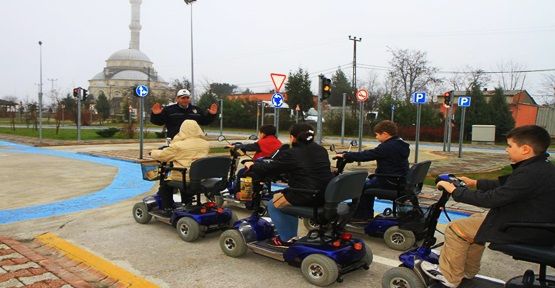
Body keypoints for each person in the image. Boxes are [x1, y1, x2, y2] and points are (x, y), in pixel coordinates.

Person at [421, 125, 555, 288]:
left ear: (525, 149)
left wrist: (455, 191)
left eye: (510, 146)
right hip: (535, 222)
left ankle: (450, 277)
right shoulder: (540, 166)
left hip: (525, 228)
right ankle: (467, 271)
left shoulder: (530, 173)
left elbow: (492, 199)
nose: (506, 150)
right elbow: (505, 184)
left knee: (455, 229)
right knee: (476, 221)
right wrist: (475, 183)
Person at [244, 123, 334, 246]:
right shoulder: (321, 150)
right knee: (286, 198)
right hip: (326, 193)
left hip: (307, 195)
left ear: (292, 137)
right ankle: (291, 236)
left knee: (273, 204)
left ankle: (286, 239)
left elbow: (271, 167)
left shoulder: (292, 153)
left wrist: (253, 165)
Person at [335, 120, 410, 220]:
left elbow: (367, 155)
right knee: (366, 184)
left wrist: (346, 155)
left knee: (360, 186)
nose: (376, 137)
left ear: (385, 134)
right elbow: (372, 153)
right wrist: (348, 154)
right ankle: (364, 212)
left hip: (388, 181)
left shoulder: (387, 147)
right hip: (398, 180)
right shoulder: (399, 144)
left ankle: (361, 215)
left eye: (377, 135)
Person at [149, 120, 210, 216]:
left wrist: (152, 152)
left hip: (185, 176)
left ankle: (167, 208)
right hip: (200, 176)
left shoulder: (178, 146)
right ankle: (187, 202)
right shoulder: (205, 144)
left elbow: (163, 156)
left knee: (165, 185)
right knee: (186, 182)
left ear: (182, 130)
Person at [227, 125, 282, 194]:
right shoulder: (279, 143)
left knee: (242, 172)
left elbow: (250, 147)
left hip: (261, 169)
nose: (259, 135)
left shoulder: (263, 142)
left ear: (263, 134)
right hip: (273, 170)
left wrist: (236, 146)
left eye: (259, 133)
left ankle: (241, 194)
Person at [150, 88, 218, 139]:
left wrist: (211, 115)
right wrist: (156, 115)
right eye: (183, 98)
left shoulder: (196, 110)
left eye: (187, 98)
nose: (185, 100)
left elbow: (204, 121)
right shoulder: (169, 110)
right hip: (175, 140)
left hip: (192, 140)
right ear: (177, 99)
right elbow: (159, 122)